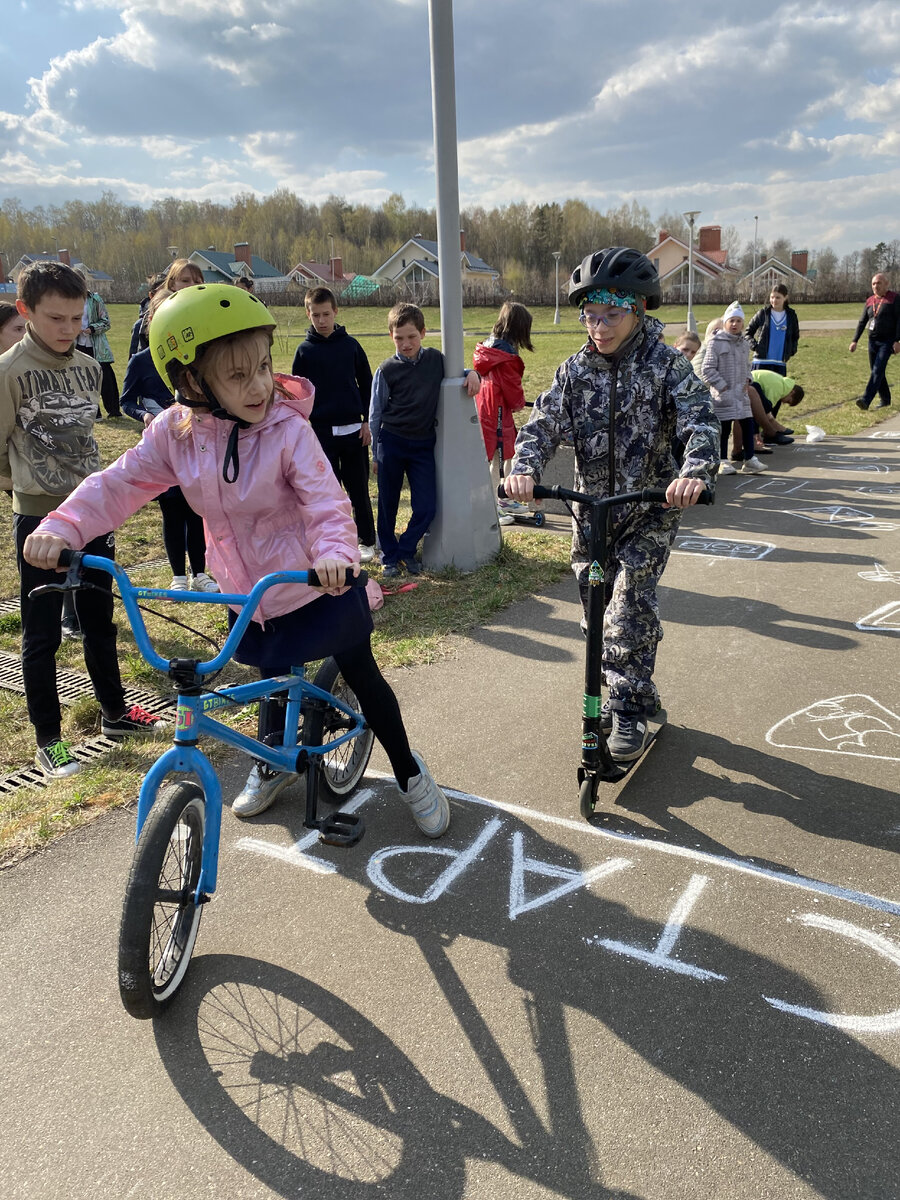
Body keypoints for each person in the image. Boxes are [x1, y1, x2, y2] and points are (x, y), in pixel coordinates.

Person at [23, 283, 450, 836]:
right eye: (238, 375)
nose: (259, 386)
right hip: (249, 593)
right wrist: (61, 525)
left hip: (315, 581)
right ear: (192, 381)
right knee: (271, 680)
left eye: (264, 367)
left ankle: (410, 770)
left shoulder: (288, 430)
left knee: (362, 675)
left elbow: (327, 502)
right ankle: (272, 765)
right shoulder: (176, 434)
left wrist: (337, 555)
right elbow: (118, 484)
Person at [503, 247, 718, 761]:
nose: (598, 327)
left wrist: (694, 472)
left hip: (650, 510)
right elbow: (542, 425)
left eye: (611, 315)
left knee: (626, 607)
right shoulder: (575, 371)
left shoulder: (667, 366)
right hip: (591, 513)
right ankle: (634, 687)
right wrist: (524, 468)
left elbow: (700, 422)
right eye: (590, 316)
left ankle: (624, 707)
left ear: (638, 309)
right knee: (597, 613)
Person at [0, 261, 165, 777]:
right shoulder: (9, 371)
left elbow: (86, 439)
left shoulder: (91, 367)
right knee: (43, 632)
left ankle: (115, 713)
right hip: (38, 520)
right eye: (56, 318)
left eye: (77, 319)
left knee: (99, 620)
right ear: (25, 311)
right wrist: (22, 486)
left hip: (93, 515)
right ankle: (49, 739)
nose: (69, 329)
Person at [370, 302, 481, 578]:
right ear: (390, 337)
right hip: (391, 442)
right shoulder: (386, 370)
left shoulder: (436, 360)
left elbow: (459, 372)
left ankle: (407, 549)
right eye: (399, 338)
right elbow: (375, 414)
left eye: (411, 337)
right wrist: (375, 453)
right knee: (388, 504)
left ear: (423, 333)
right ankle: (389, 555)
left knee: (427, 506)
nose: (406, 344)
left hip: (422, 444)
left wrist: (473, 374)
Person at [120, 342, 218, 592]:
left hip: (197, 444)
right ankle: (178, 577)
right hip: (164, 448)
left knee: (197, 512)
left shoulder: (193, 354)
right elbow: (126, 400)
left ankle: (200, 573)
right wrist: (143, 414)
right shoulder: (140, 361)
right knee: (172, 512)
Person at [291, 287, 377, 563]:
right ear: (308, 314)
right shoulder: (304, 352)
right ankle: (333, 544)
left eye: (326, 314)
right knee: (327, 493)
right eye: (315, 315)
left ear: (335, 312)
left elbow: (367, 385)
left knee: (359, 489)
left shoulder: (351, 346)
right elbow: (297, 394)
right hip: (320, 434)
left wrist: (367, 422)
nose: (322, 320)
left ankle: (366, 540)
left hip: (354, 431)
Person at [472, 301, 534, 526]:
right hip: (498, 413)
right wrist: (518, 403)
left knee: (500, 456)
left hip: (486, 409)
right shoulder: (506, 358)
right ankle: (496, 504)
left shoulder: (487, 350)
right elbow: (514, 393)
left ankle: (501, 500)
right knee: (503, 457)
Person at [701, 302, 765, 476]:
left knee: (748, 424)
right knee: (724, 428)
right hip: (724, 395)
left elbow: (747, 365)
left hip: (741, 394)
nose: (735, 324)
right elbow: (707, 369)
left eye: (738, 321)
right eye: (731, 321)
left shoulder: (744, 344)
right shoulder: (716, 342)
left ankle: (750, 459)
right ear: (725, 323)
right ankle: (722, 461)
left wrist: (748, 379)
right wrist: (722, 387)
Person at [73, 270, 122, 417]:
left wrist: (92, 329)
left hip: (97, 346)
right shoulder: (67, 301)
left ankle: (114, 410)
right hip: (77, 345)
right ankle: (94, 413)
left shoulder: (95, 299)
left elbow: (106, 322)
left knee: (106, 378)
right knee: (83, 380)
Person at [849, 272, 900, 410]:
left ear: (886, 284)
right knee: (876, 370)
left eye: (879, 283)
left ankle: (866, 400)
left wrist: (897, 340)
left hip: (887, 341)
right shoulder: (870, 301)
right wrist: (855, 340)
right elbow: (862, 321)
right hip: (872, 341)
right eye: (873, 284)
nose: (876, 286)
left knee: (878, 369)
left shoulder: (894, 298)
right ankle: (885, 399)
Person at [747, 284, 799, 375]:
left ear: (785, 297)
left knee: (777, 389)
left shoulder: (791, 316)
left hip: (779, 363)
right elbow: (747, 333)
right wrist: (755, 346)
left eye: (778, 297)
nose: (774, 300)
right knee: (758, 389)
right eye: (772, 297)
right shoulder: (763, 313)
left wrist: (791, 350)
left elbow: (795, 336)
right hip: (761, 362)